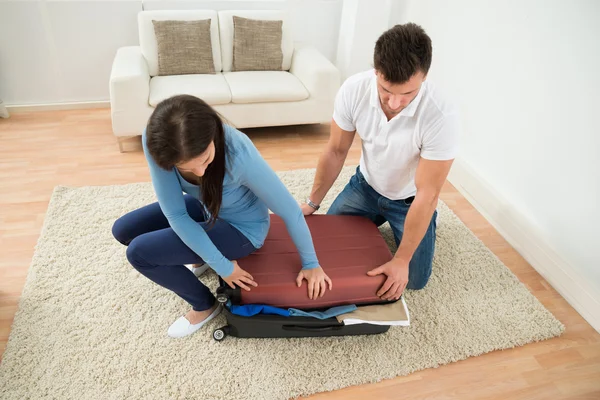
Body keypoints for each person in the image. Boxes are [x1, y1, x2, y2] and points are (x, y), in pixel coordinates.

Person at [112, 95, 332, 338]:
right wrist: (221, 264)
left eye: (205, 159)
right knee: (123, 231)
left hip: (242, 230)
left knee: (139, 254)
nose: (200, 172)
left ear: (213, 133)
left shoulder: (239, 154)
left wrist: (311, 264)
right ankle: (202, 256)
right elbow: (176, 213)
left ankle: (205, 305)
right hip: (205, 207)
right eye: (186, 167)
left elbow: (290, 211)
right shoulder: (156, 142)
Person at [301, 23, 459, 301]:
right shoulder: (354, 89)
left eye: (407, 94)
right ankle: (373, 220)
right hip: (365, 188)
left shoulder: (441, 115)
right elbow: (336, 150)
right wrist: (313, 202)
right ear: (376, 71)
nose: (395, 102)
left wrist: (401, 261)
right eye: (387, 90)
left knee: (414, 280)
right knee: (326, 247)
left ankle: (419, 226)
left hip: (410, 200)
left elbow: (428, 193)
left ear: (424, 77)